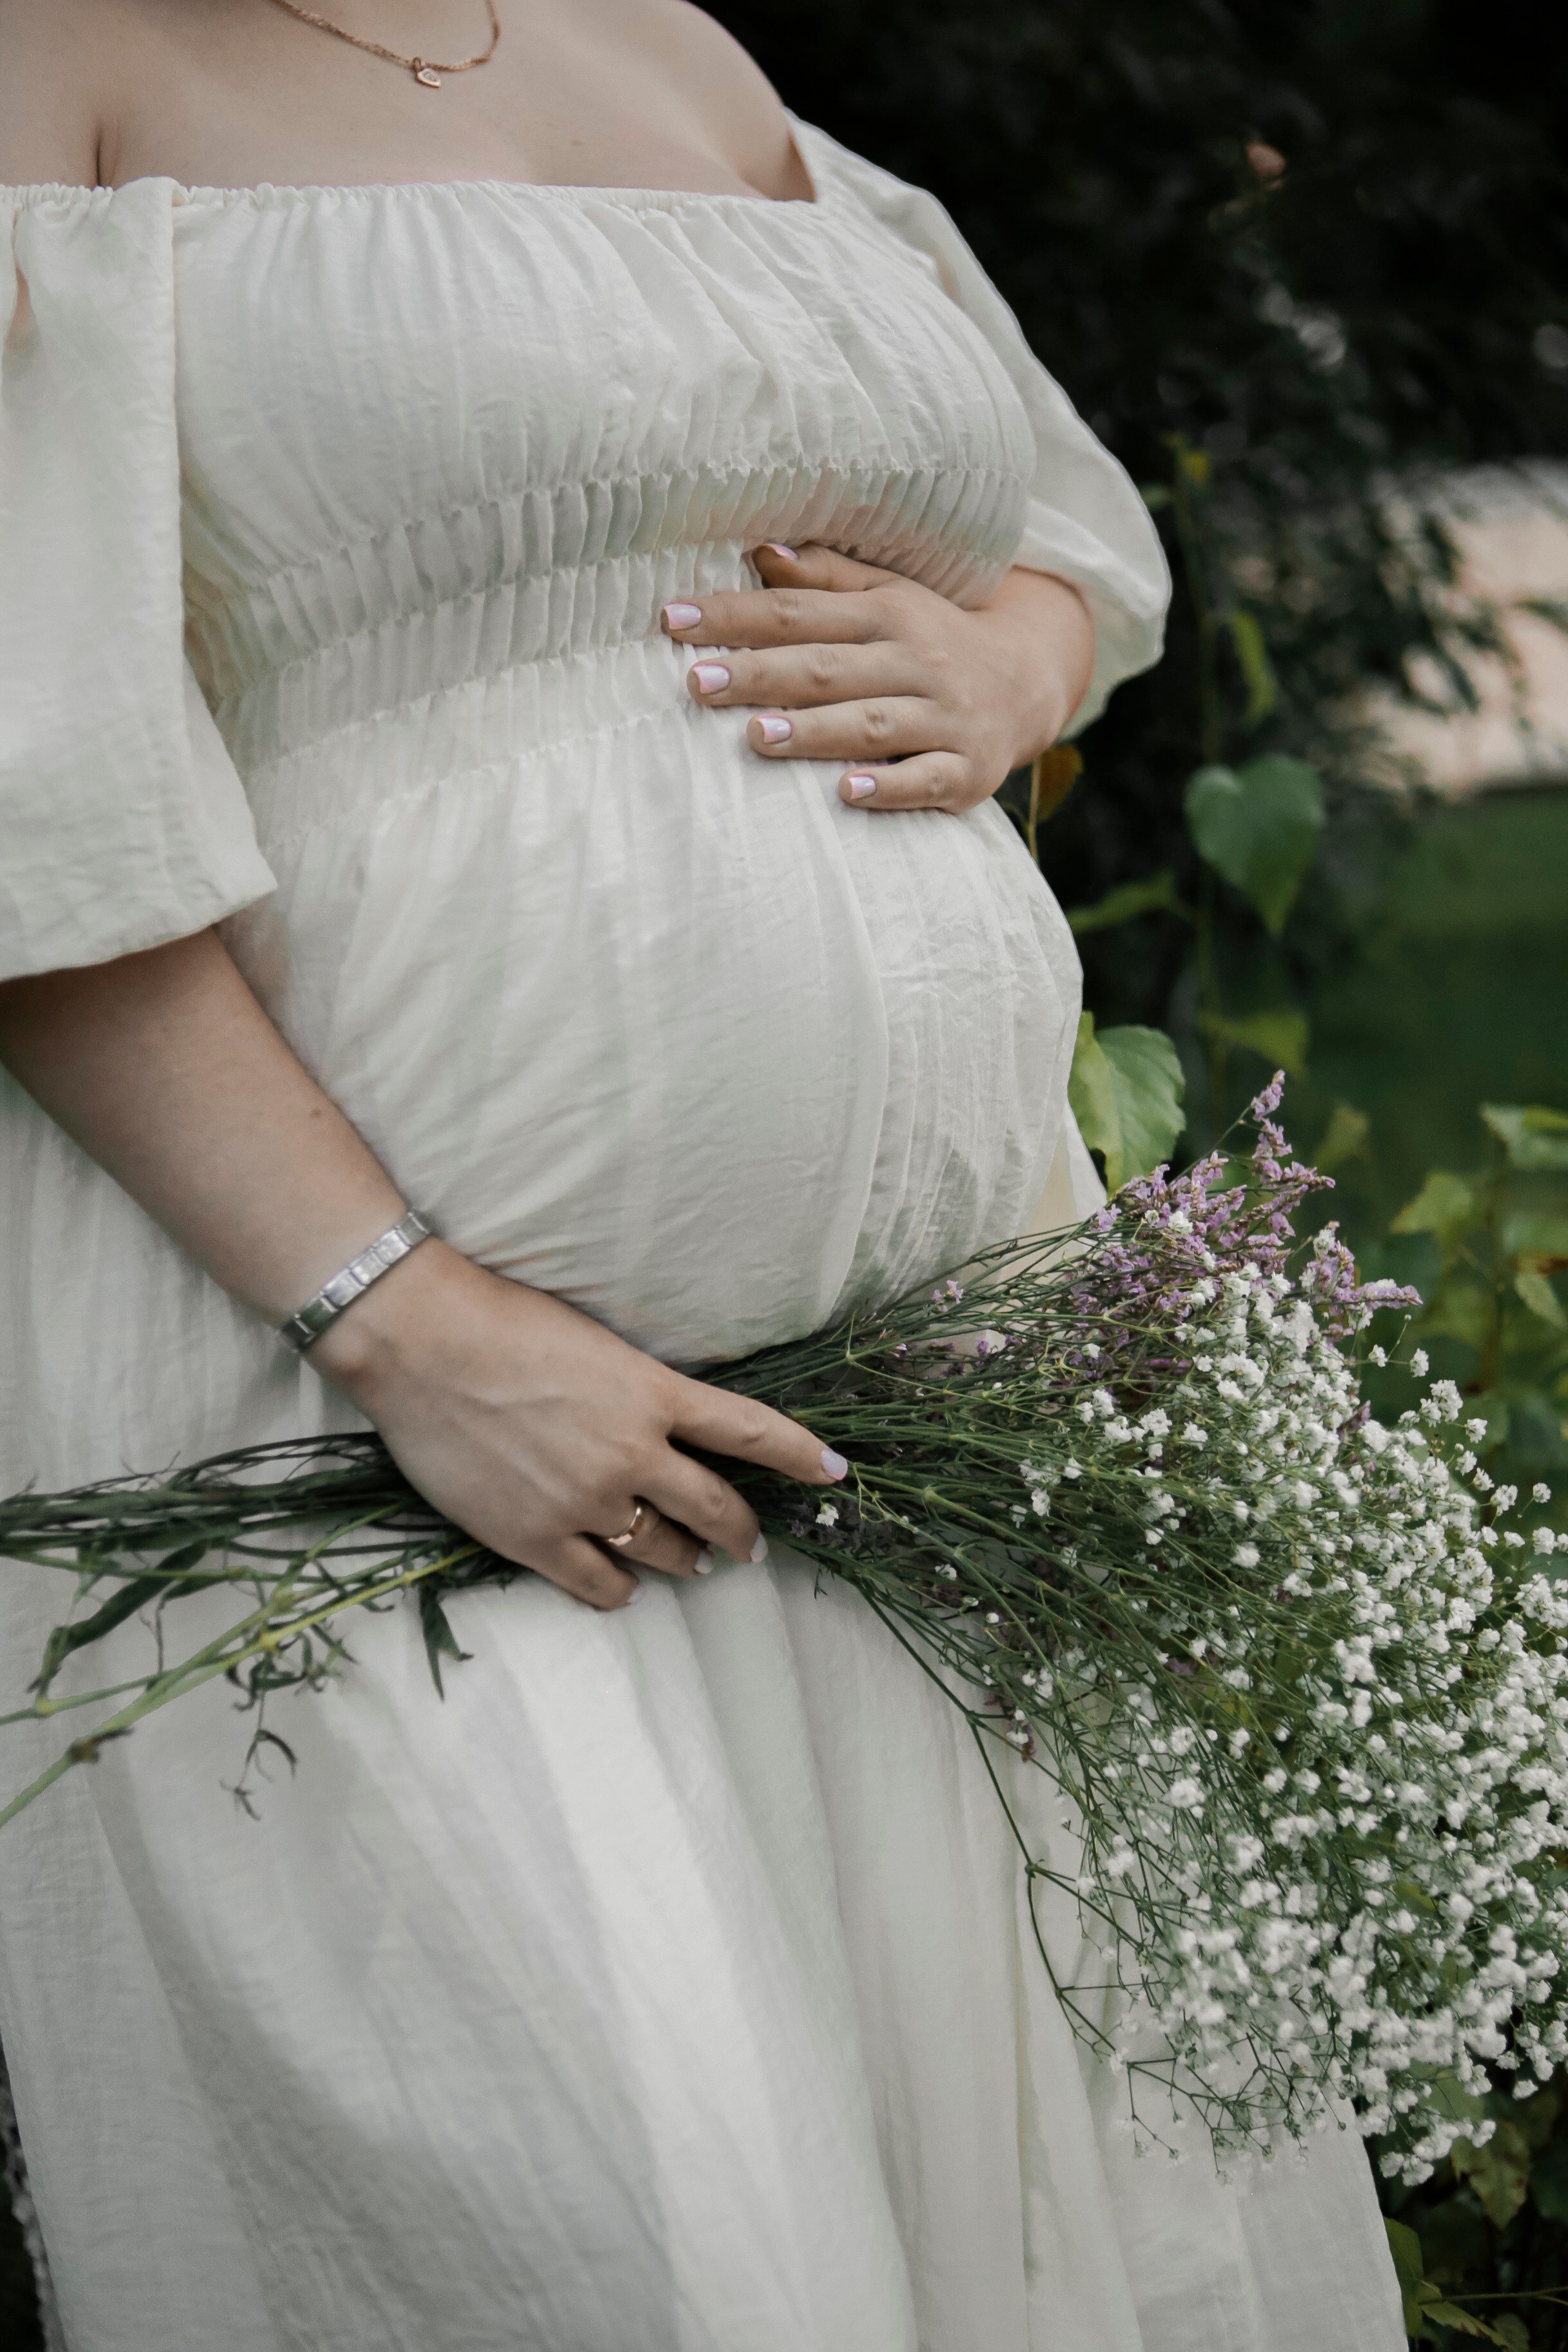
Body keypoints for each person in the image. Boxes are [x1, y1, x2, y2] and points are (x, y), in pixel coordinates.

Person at [0, 3, 1404, 2345]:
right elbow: (26, 778)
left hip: (938, 1423)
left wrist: (1008, 664)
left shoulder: (667, 41)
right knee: (612, 2240)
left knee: (1024, 2230)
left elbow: (1055, 518)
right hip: (378, 1424)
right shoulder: (49, 60)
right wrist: (408, 1321)